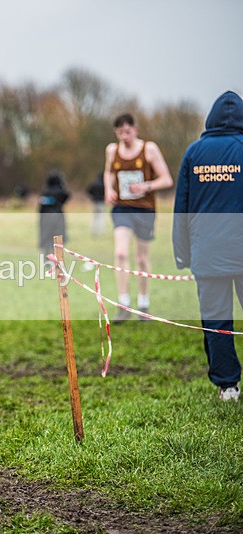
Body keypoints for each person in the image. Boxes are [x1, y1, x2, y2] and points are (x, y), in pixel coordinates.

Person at [173, 90, 243, 402]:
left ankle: (227, 386)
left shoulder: (194, 152)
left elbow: (181, 209)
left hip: (207, 254)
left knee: (216, 321)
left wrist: (183, 253)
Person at [103, 113, 173, 323]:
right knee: (121, 253)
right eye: (119, 132)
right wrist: (108, 189)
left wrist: (146, 186)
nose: (124, 136)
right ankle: (124, 303)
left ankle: (143, 303)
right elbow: (108, 172)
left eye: (127, 131)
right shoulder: (111, 150)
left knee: (142, 259)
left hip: (144, 209)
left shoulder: (148, 149)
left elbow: (167, 179)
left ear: (135, 130)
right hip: (122, 209)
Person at [38, 170, 70, 256]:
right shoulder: (60, 192)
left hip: (45, 217)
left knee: (46, 236)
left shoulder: (45, 192)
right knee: (58, 237)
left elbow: (40, 206)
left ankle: (47, 257)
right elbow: (67, 196)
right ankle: (58, 257)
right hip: (57, 216)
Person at [86, 172, 106, 236]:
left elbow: (88, 190)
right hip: (102, 202)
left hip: (95, 202)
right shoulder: (104, 184)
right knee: (101, 217)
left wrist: (92, 197)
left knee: (95, 217)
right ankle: (101, 231)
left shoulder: (94, 184)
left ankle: (94, 230)